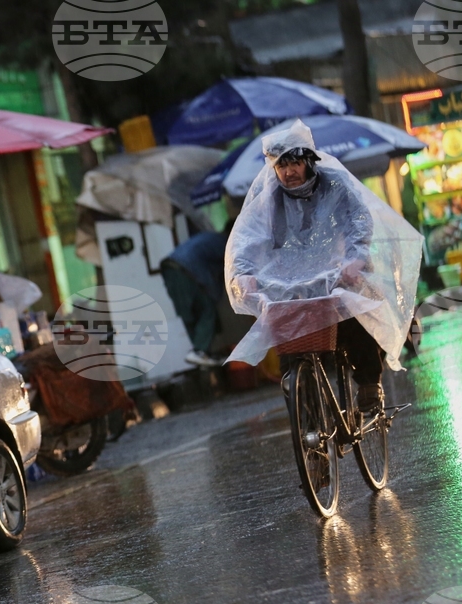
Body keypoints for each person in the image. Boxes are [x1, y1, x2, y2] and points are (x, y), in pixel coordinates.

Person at [227, 121, 388, 412]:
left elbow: (358, 221)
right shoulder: (268, 200)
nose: (288, 172)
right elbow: (247, 239)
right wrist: (244, 274)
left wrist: (357, 258)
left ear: (309, 161)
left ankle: (368, 383)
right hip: (289, 286)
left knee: (354, 318)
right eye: (281, 166)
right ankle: (309, 428)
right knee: (292, 351)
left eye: (295, 163)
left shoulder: (336, 184)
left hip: (337, 274)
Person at [161, 227, 230, 367]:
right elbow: (231, 267)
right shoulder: (226, 242)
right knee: (207, 310)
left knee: (189, 315)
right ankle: (199, 351)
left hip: (170, 269)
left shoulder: (208, 236)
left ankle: (201, 353)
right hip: (187, 269)